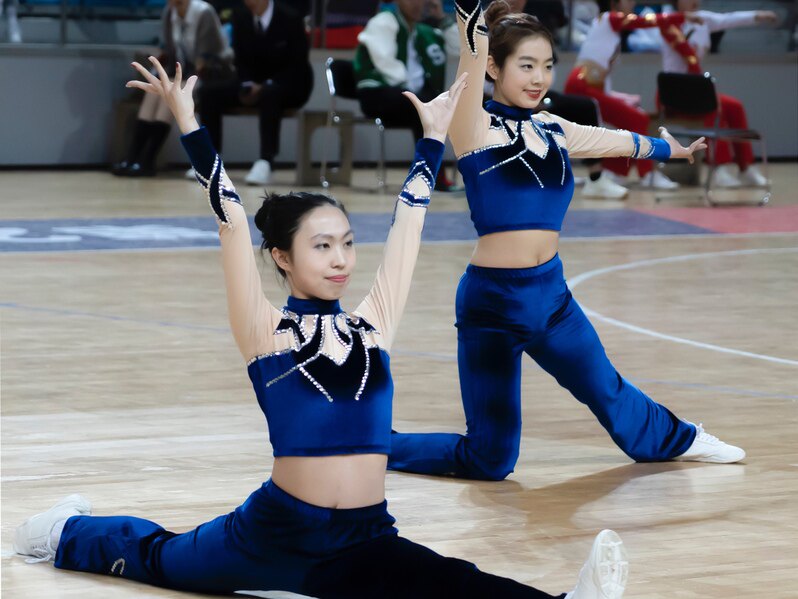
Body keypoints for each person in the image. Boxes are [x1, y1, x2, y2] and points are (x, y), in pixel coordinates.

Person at [13, 56, 630, 599]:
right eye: (322, 245)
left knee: (448, 581)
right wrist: (188, 120)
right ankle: (61, 531)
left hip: (363, 538)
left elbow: (409, 224)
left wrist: (432, 139)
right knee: (160, 558)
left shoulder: (373, 326)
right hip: (273, 532)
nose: (340, 260)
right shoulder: (265, 331)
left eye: (347, 243)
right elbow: (231, 219)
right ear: (282, 257)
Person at [388, 0, 745, 482]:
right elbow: (471, 50)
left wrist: (669, 150)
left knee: (608, 390)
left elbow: (615, 140)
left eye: (547, 65)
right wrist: (470, 15)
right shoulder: (473, 127)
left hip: (552, 298)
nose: (539, 78)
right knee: (490, 459)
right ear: (493, 68)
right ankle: (373, 443)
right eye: (526, 65)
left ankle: (678, 438)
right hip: (492, 305)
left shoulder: (554, 129)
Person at [563, 0, 703, 190]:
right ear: (615, 3)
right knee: (637, 119)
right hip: (581, 86)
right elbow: (645, 21)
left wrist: (622, 98)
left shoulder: (610, 32)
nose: (632, 3)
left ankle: (615, 172)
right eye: (627, 0)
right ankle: (647, 173)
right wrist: (682, 17)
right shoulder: (609, 18)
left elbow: (602, 79)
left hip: (588, 87)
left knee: (632, 118)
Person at [659, 0, 778, 187]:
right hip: (674, 94)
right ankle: (718, 168)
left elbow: (729, 19)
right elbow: (690, 59)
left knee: (734, 107)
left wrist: (757, 16)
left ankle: (745, 168)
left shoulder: (703, 19)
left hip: (696, 90)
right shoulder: (668, 22)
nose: (695, 1)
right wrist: (707, 91)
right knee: (712, 107)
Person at [197, 0, 313, 186]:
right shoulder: (240, 17)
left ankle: (266, 161)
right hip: (253, 81)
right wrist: (247, 84)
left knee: (270, 93)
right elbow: (240, 60)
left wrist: (266, 84)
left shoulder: (290, 17)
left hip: (289, 84)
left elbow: (297, 64)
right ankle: (210, 160)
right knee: (209, 93)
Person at [113, 0, 232, 178]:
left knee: (171, 92)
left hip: (209, 74)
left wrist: (180, 76)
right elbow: (170, 50)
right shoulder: (169, 13)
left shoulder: (203, 12)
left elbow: (208, 56)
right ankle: (132, 156)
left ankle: (148, 159)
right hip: (180, 72)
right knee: (156, 92)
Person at [355, 0, 461, 190]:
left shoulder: (425, 32)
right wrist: (416, 96)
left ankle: (430, 175)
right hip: (378, 93)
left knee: (432, 106)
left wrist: (442, 19)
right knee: (424, 107)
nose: (417, 4)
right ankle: (433, 176)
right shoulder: (384, 22)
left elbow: (461, 48)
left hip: (408, 97)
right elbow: (385, 64)